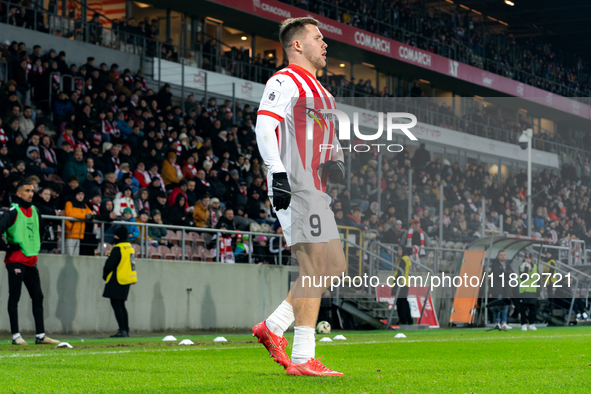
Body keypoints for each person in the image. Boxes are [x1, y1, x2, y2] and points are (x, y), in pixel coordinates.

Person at [252, 17, 346, 376]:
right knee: (312, 268)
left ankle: (272, 327)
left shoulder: (324, 93)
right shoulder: (284, 80)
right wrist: (276, 172)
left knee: (333, 266)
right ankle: (304, 357)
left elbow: (326, 137)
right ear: (297, 45)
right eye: (317, 38)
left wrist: (334, 157)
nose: (324, 44)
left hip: (316, 187)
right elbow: (264, 126)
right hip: (295, 182)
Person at [0, 181, 60, 345]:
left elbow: (41, 232)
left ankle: (40, 335)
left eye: (32, 191)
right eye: (27, 191)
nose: (30, 193)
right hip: (15, 260)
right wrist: (6, 246)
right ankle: (15, 336)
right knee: (15, 297)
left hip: (31, 260)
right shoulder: (13, 211)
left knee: (38, 296)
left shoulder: (35, 211)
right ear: (18, 194)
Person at [102, 226, 137, 338]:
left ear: (117, 236)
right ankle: (126, 329)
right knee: (121, 304)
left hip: (117, 279)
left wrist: (104, 275)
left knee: (116, 304)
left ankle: (122, 330)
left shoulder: (118, 248)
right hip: (127, 279)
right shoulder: (130, 248)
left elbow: (109, 265)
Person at [489, 249, 515, 330]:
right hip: (498, 288)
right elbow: (497, 275)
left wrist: (505, 273)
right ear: (498, 256)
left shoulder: (508, 264)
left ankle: (504, 322)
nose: (503, 256)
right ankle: (496, 322)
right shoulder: (495, 264)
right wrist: (507, 274)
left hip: (506, 288)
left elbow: (512, 274)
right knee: (498, 305)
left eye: (504, 255)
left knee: (505, 305)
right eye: (501, 255)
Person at [518, 252, 538, 331]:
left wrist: (538, 290)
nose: (528, 260)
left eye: (529, 258)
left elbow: (537, 278)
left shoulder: (535, 266)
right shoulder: (522, 267)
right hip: (524, 290)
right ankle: (523, 324)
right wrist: (526, 269)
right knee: (523, 309)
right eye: (526, 258)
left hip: (532, 290)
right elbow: (523, 277)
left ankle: (532, 324)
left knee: (533, 309)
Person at [393, 247, 413, 325]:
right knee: (404, 301)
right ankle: (409, 319)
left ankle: (403, 320)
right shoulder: (407, 259)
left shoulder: (403, 259)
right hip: (406, 282)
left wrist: (395, 283)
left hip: (401, 282)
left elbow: (400, 272)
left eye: (400, 249)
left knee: (400, 302)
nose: (398, 251)